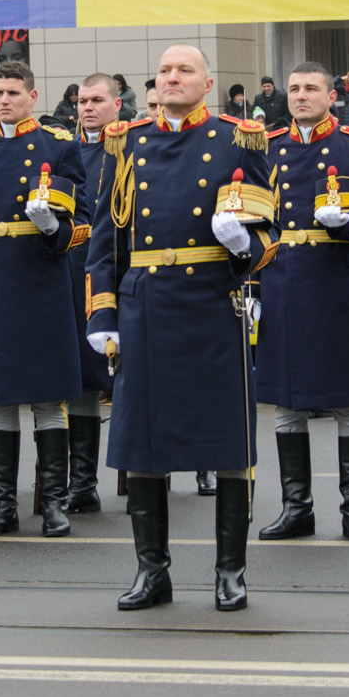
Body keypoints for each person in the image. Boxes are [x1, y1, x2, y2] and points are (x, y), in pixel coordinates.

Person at [86, 45, 275, 611]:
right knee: (144, 443)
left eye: (185, 70)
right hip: (145, 304)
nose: (173, 78)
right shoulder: (126, 141)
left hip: (212, 302)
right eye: (165, 71)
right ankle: (153, 571)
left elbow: (270, 233)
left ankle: (230, 572)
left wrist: (242, 246)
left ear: (207, 83)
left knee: (229, 441)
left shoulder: (238, 138)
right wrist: (103, 312)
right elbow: (106, 237)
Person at [0, 60, 88, 536]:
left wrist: (53, 228)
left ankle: (53, 502)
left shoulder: (58, 145)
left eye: (12, 93)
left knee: (47, 395)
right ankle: (3, 504)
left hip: (41, 279)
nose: (2, 101)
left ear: (32, 96)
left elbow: (83, 223)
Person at [253, 62, 349, 542]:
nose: (300, 96)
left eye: (311, 88)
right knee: (287, 400)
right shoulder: (268, 146)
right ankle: (297, 508)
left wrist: (347, 225)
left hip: (337, 281)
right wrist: (253, 275)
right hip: (284, 280)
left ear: (332, 97)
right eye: (294, 88)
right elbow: (258, 220)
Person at [66, 72, 123, 511]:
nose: (88, 108)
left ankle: (143, 472)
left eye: (97, 100)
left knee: (130, 375)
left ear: (117, 104)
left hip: (117, 274)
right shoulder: (63, 150)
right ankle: (82, 483)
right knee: (83, 378)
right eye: (82, 101)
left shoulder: (131, 149)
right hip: (71, 272)